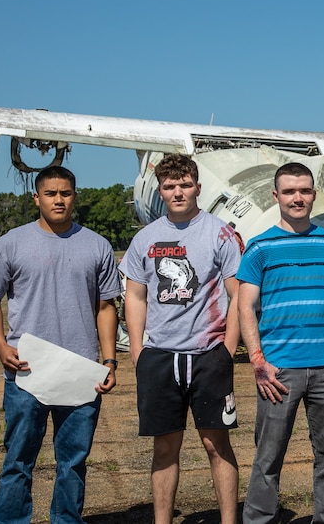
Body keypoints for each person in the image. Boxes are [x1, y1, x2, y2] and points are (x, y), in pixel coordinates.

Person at [0, 165, 121, 524]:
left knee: (72, 461)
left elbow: (106, 307)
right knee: (18, 460)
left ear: (75, 196)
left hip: (81, 371)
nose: (59, 200)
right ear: (36, 197)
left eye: (66, 193)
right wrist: (0, 346)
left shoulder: (97, 245)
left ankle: (66, 519)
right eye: (51, 193)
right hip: (27, 369)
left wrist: (109, 360)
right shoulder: (11, 243)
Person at [121, 153, 244, 524]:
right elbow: (136, 295)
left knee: (215, 443)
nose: (178, 192)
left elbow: (238, 293)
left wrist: (228, 347)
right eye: (170, 186)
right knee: (165, 447)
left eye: (185, 185)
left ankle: (228, 519)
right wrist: (138, 350)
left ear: (198, 187)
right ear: (161, 191)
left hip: (208, 354)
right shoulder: (146, 238)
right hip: (160, 356)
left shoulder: (219, 232)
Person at [237, 162, 324, 524]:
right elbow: (245, 305)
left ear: (314, 194)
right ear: (275, 196)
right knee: (268, 458)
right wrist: (258, 361)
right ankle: (259, 519)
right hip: (279, 370)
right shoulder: (260, 247)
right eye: (290, 191)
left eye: (305, 191)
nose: (298, 198)